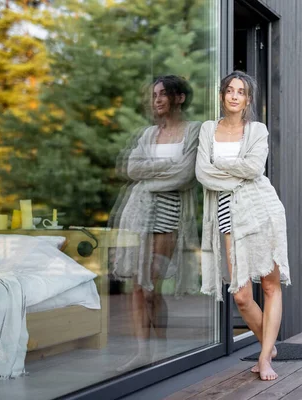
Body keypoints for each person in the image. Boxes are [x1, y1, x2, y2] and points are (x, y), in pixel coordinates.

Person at [195, 71, 291, 381]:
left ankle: (265, 356)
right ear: (222, 95)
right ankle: (270, 345)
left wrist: (219, 165)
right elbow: (202, 174)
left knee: (270, 286)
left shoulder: (257, 130)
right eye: (229, 90)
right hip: (226, 213)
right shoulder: (208, 129)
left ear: (248, 99)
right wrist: (234, 170)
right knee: (241, 295)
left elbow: (255, 168)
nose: (235, 96)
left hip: (262, 210)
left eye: (241, 92)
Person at [110, 75, 201, 370]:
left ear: (179, 98)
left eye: (162, 94)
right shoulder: (149, 135)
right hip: (139, 214)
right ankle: (142, 352)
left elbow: (185, 175)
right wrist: (163, 167)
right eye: (154, 96)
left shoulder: (194, 131)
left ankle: (160, 350)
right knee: (138, 286)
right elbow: (132, 168)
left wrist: (152, 173)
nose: (157, 100)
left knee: (153, 286)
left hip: (169, 214)